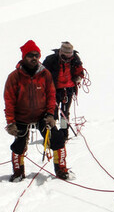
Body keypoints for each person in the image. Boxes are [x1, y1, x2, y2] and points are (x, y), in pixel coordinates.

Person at [4, 40, 70, 181]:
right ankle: (18, 172)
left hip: (42, 116)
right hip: (22, 117)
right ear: (24, 57)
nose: (34, 58)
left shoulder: (45, 74)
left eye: (36, 55)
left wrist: (50, 114)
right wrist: (11, 122)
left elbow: (51, 95)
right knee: (18, 145)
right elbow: (9, 101)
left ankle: (61, 169)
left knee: (57, 139)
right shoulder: (14, 77)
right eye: (30, 55)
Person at [41, 41, 85, 131]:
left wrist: (78, 77)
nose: (68, 57)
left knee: (64, 113)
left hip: (68, 90)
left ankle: (63, 132)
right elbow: (42, 73)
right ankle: (53, 132)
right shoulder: (51, 59)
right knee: (52, 112)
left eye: (70, 54)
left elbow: (81, 72)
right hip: (53, 90)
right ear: (61, 52)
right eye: (66, 54)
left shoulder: (75, 60)